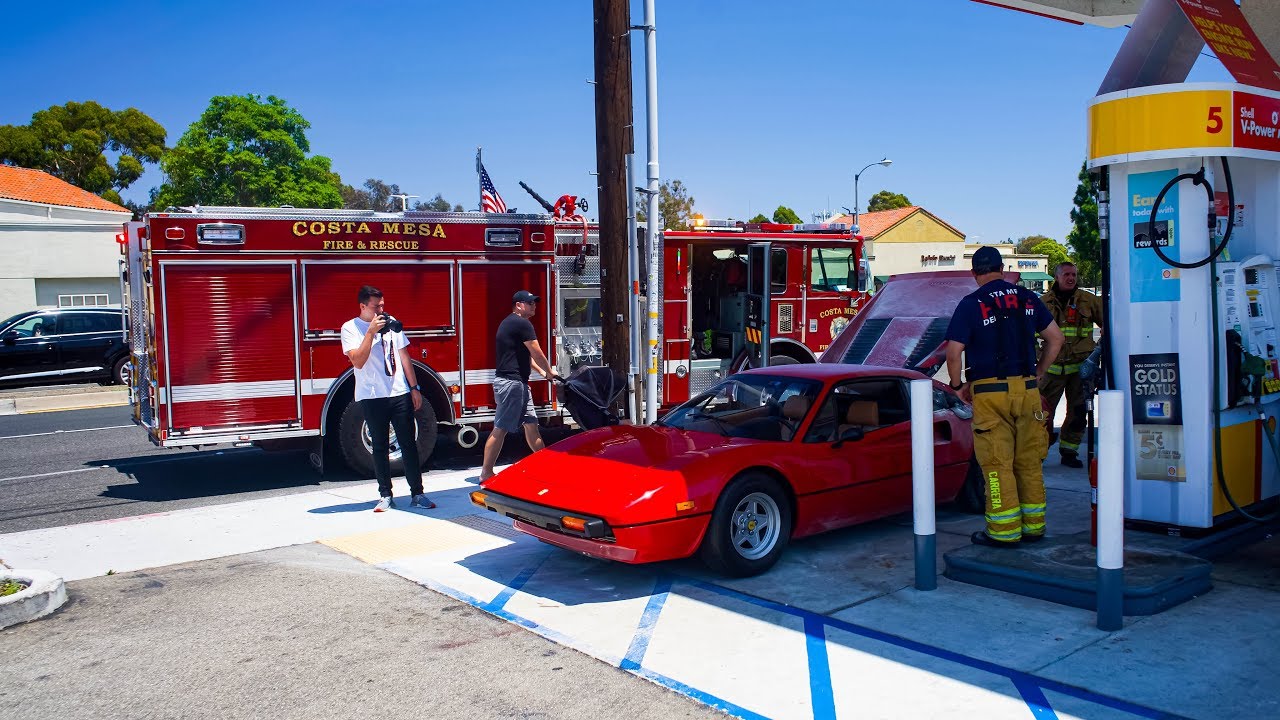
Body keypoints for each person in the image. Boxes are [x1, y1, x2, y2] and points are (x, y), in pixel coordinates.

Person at [946, 247, 1064, 547]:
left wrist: (958, 385)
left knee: (997, 463)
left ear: (975, 273)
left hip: (990, 393)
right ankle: (1034, 527)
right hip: (1027, 392)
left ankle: (1004, 532)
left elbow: (954, 351)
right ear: (1001, 268)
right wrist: (1039, 371)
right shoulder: (1027, 297)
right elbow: (1056, 339)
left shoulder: (971, 303)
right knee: (1028, 462)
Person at [341, 285, 435, 512]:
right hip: (372, 396)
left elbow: (404, 356)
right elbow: (357, 361)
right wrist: (371, 333)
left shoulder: (391, 322)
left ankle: (418, 493)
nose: (381, 310)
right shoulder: (350, 328)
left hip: (399, 392)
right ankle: (385, 495)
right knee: (380, 446)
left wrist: (414, 388)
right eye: (376, 306)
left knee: (409, 445)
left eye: (382, 305)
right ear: (363, 306)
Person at [479, 290, 559, 481]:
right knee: (500, 428)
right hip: (511, 385)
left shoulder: (511, 323)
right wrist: (549, 371)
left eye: (534, 303)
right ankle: (486, 473)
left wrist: (541, 373)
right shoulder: (522, 323)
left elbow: (524, 356)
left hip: (518, 384)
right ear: (518, 305)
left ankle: (546, 467)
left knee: (531, 425)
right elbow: (537, 352)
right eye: (530, 303)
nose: (534, 306)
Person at [1038, 261, 1104, 468]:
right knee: (1042, 415)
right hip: (1051, 370)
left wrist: (1097, 353)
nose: (1071, 278)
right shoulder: (1042, 303)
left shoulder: (1089, 301)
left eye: (1074, 275)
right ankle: (1037, 452)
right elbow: (1028, 334)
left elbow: (1109, 325)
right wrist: (1036, 360)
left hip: (1080, 369)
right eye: (1066, 274)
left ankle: (1069, 451)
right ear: (1056, 277)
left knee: (1077, 413)